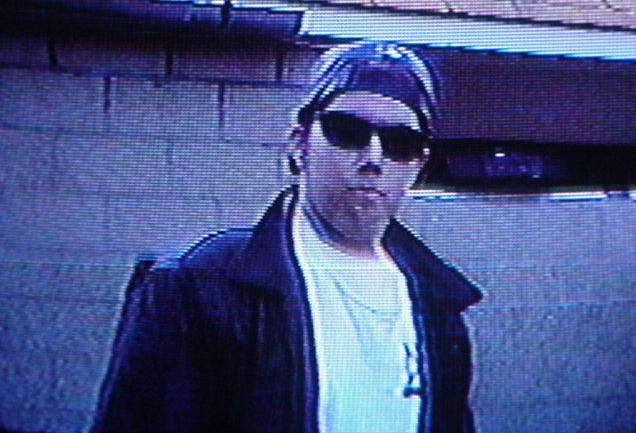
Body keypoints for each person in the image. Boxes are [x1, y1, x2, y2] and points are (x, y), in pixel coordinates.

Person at [91, 41, 482, 433]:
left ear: (418, 164)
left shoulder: (439, 303)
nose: (373, 158)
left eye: (401, 143)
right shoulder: (197, 284)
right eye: (348, 132)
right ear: (300, 144)